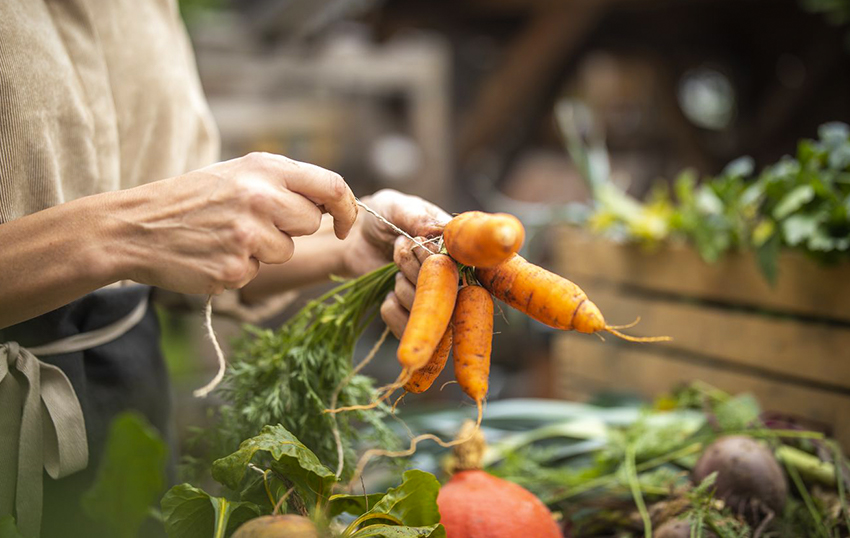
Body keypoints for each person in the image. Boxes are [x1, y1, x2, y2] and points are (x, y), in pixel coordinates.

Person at [0, 1, 447, 536]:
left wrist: (348, 248)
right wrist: (130, 230)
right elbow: (157, 226)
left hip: (127, 410)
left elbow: (186, 241)